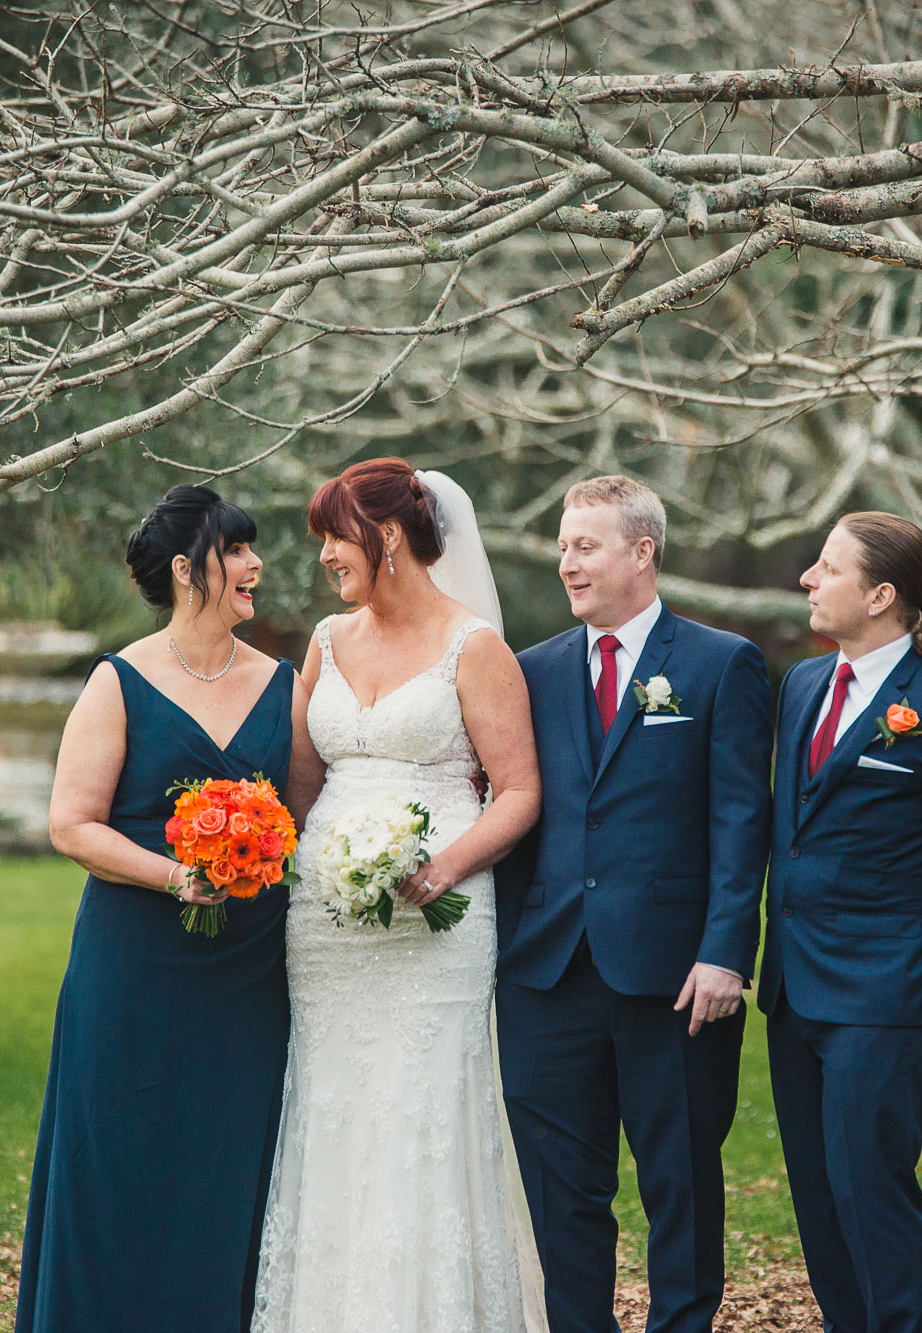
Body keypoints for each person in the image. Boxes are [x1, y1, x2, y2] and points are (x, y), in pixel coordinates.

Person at [251, 459, 547, 1333]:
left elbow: (521, 790)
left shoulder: (475, 645)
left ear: (384, 537)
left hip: (439, 923)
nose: (323, 559)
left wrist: (443, 867)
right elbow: (304, 784)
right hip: (328, 928)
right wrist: (317, 866)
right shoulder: (326, 641)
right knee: (334, 1107)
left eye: (333, 539)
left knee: (422, 1111)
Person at [16, 485, 317, 1333]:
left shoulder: (283, 684)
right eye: (240, 550)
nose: (257, 565)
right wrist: (173, 876)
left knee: (225, 1165)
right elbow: (70, 824)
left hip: (246, 975)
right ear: (189, 570)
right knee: (119, 1158)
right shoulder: (117, 681)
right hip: (134, 965)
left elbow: (304, 818)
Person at [495, 475, 773, 1333]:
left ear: (642, 553)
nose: (566, 563)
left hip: (677, 978)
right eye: (563, 546)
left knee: (680, 1184)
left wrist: (727, 950)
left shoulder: (721, 663)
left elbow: (741, 818)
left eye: (585, 545)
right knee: (561, 1191)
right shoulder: (531, 671)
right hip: (547, 975)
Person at [757, 511, 922, 1333]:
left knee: (872, 1195)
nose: (808, 577)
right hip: (794, 989)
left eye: (827, 567)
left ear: (879, 595)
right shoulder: (804, 685)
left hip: (886, 997)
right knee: (818, 1201)